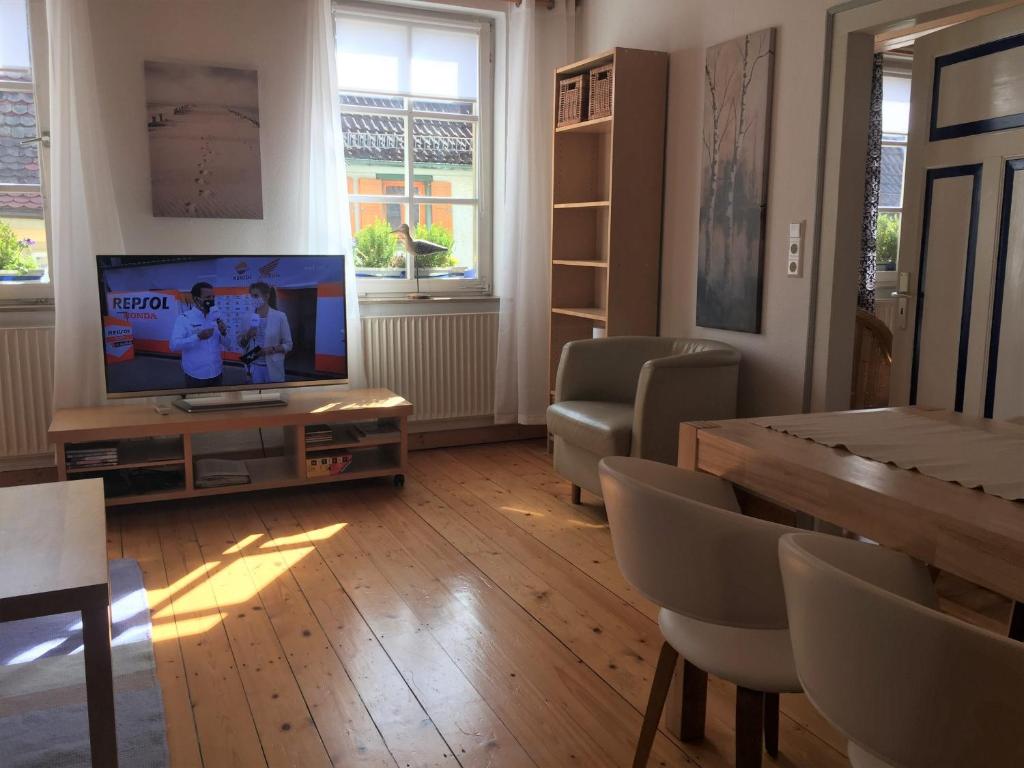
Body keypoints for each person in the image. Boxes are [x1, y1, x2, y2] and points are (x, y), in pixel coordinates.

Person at [169, 282, 230, 388]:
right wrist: (197, 337)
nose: (211, 300)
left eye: (213, 297)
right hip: (196, 376)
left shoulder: (217, 316)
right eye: (207, 297)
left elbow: (228, 344)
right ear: (196, 299)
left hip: (217, 372)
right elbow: (174, 346)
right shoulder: (184, 318)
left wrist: (224, 332)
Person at [237, 281, 293, 384]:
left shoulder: (280, 316)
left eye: (256, 296)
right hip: (253, 367)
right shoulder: (246, 317)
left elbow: (289, 345)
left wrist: (270, 349)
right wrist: (248, 334)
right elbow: (241, 344)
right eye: (251, 296)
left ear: (266, 296)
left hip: (273, 368)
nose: (253, 299)